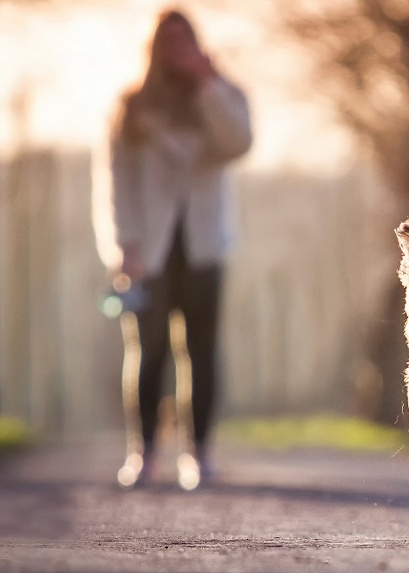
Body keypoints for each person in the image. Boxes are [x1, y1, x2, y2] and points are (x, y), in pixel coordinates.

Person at [93, 9, 252, 488]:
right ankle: (142, 452)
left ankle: (199, 451)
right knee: (149, 350)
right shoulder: (131, 106)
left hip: (205, 244)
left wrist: (208, 83)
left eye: (187, 42)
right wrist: (125, 246)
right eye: (171, 42)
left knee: (202, 350)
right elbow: (114, 181)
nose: (179, 51)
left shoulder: (223, 95)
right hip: (149, 250)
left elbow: (238, 143)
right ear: (155, 48)